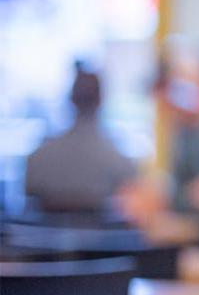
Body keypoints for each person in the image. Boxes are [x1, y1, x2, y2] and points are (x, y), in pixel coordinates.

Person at [24, 61, 136, 214]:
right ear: (100, 100)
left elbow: (28, 195)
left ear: (71, 99)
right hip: (102, 238)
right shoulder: (118, 161)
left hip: (46, 238)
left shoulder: (39, 158)